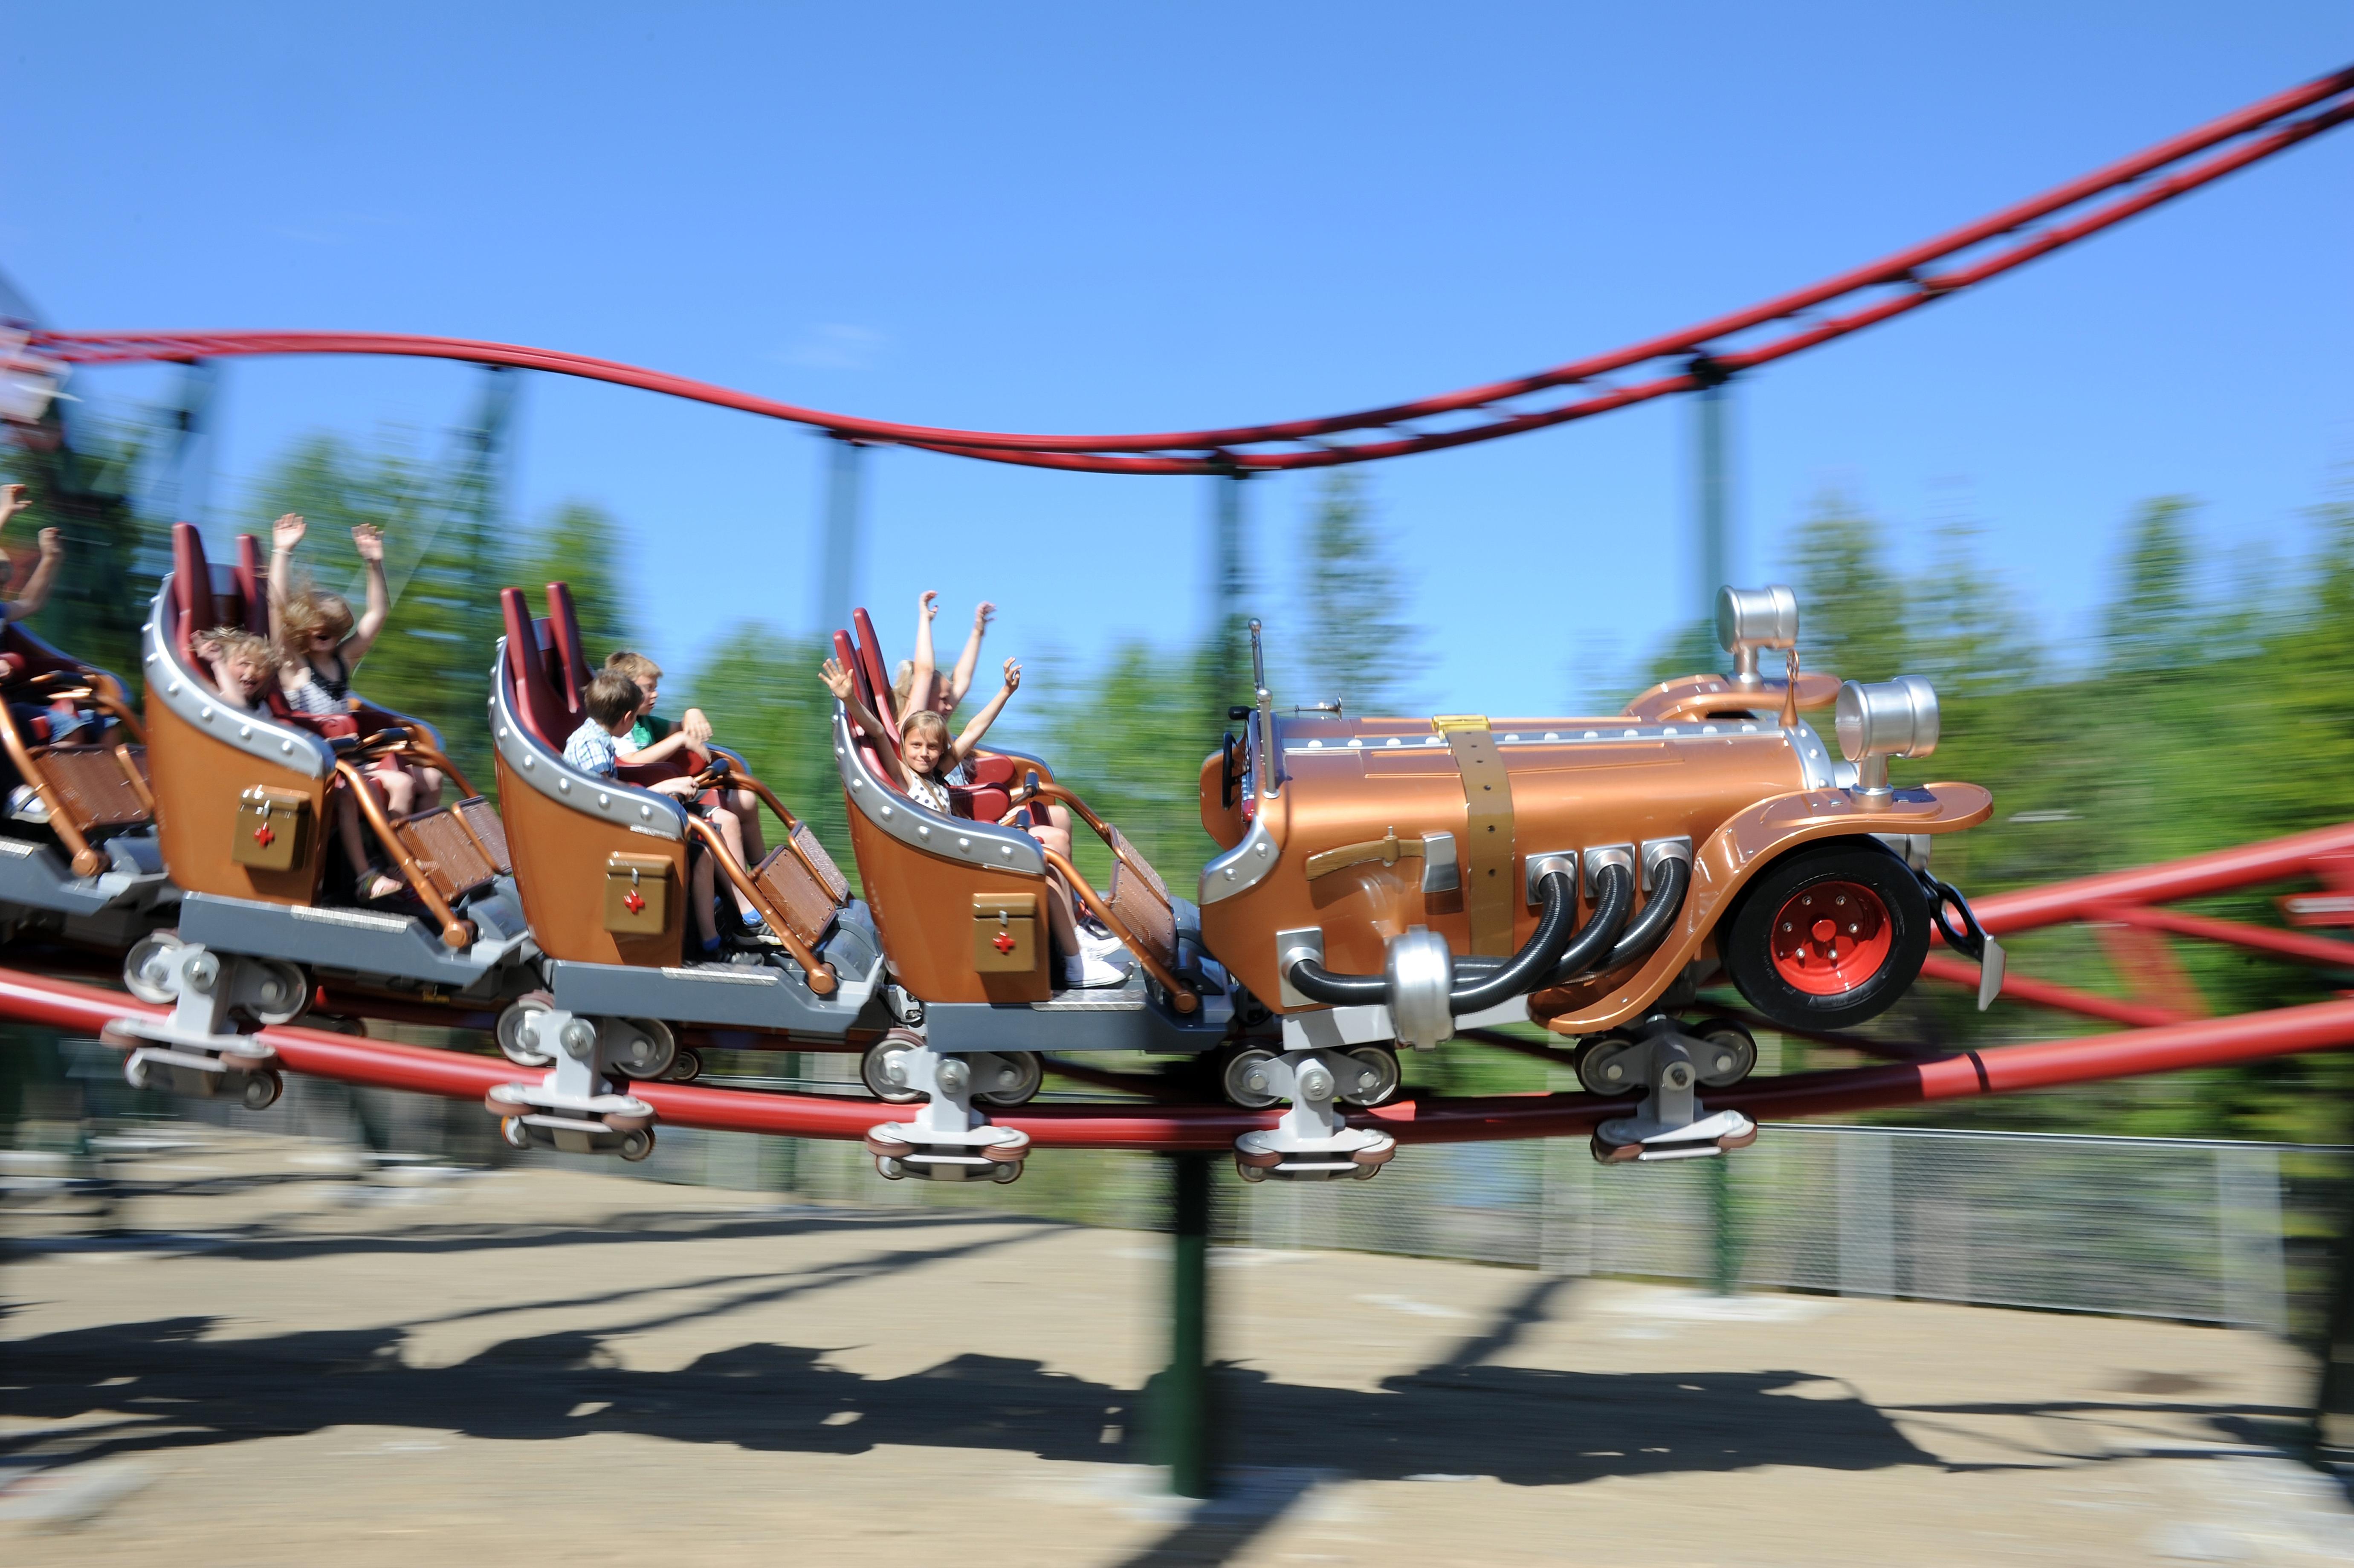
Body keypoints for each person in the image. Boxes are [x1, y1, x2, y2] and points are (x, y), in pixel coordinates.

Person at [824, 649, 1119, 987]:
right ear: (904, 747)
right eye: (916, 746)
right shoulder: (905, 777)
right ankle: (1075, 961)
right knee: (1045, 858)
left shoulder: (936, 775)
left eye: (932, 748)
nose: (924, 754)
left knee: (1051, 845)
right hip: (945, 868)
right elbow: (877, 731)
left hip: (955, 857)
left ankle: (1076, 941)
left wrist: (1005, 693)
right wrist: (849, 700)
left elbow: (973, 731)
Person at [266, 512, 443, 819]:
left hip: (353, 757)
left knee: (432, 778)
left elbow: (377, 614)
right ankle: (396, 858)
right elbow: (276, 611)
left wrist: (374, 565)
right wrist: (282, 552)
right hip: (320, 763)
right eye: (315, 626)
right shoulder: (295, 667)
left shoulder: (342, 659)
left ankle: (423, 850)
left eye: (331, 628)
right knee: (401, 784)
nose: (323, 633)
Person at [565, 669, 738, 957]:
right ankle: (711, 945)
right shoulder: (590, 744)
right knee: (699, 852)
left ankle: (713, 940)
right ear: (627, 719)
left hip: (609, 826)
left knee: (701, 853)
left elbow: (610, 788)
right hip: (602, 837)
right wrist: (661, 789)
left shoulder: (595, 737)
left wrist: (666, 786)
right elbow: (605, 797)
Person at [602, 651, 770, 939]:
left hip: (672, 798)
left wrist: (691, 713)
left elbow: (683, 728)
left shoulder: (645, 723)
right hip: (651, 807)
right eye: (648, 688)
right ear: (626, 690)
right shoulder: (623, 727)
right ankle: (748, 910)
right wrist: (679, 740)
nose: (655, 695)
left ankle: (762, 877)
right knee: (726, 822)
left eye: (656, 688)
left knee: (747, 798)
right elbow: (630, 762)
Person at [0, 483, 96, 744]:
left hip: (10, 705)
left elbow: (31, 601)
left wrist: (51, 557)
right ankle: (59, 787)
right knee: (65, 726)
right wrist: (4, 511)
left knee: (101, 722)